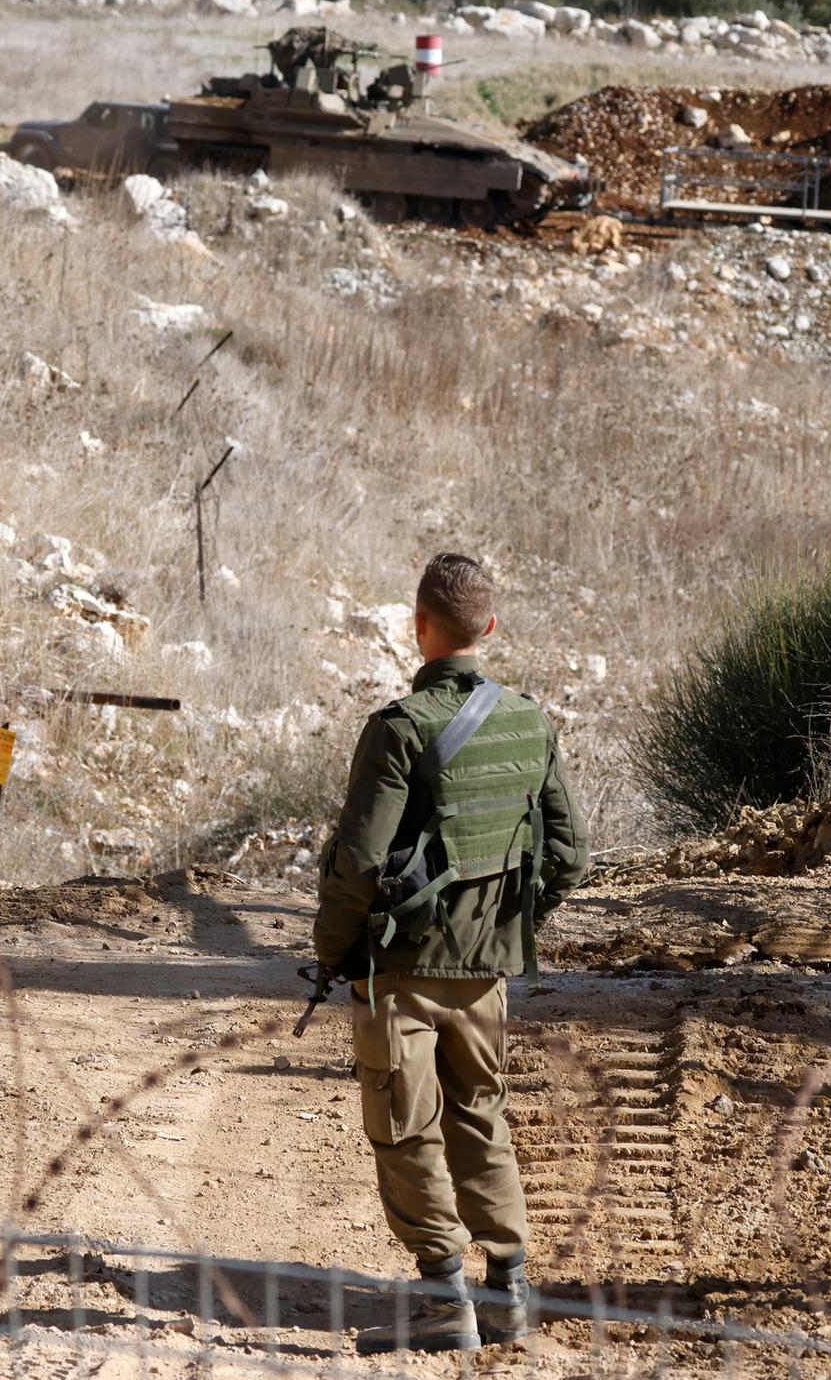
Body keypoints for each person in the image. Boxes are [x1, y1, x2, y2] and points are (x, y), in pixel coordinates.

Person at [313, 552, 590, 1355]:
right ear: (490, 628)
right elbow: (571, 856)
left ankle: (443, 1295)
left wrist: (334, 952)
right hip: (486, 970)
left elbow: (359, 862)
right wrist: (510, 921)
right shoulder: (530, 723)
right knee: (481, 1113)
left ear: (419, 626)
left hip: (398, 966)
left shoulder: (399, 729)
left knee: (405, 1125)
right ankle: (507, 1286)